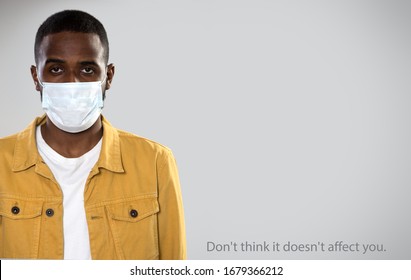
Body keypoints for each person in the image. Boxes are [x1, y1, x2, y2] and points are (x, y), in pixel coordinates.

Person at [0, 10, 186, 260]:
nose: (72, 84)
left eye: (87, 70)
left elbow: (175, 265)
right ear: (36, 77)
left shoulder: (155, 161)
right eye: (56, 69)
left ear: (108, 76)